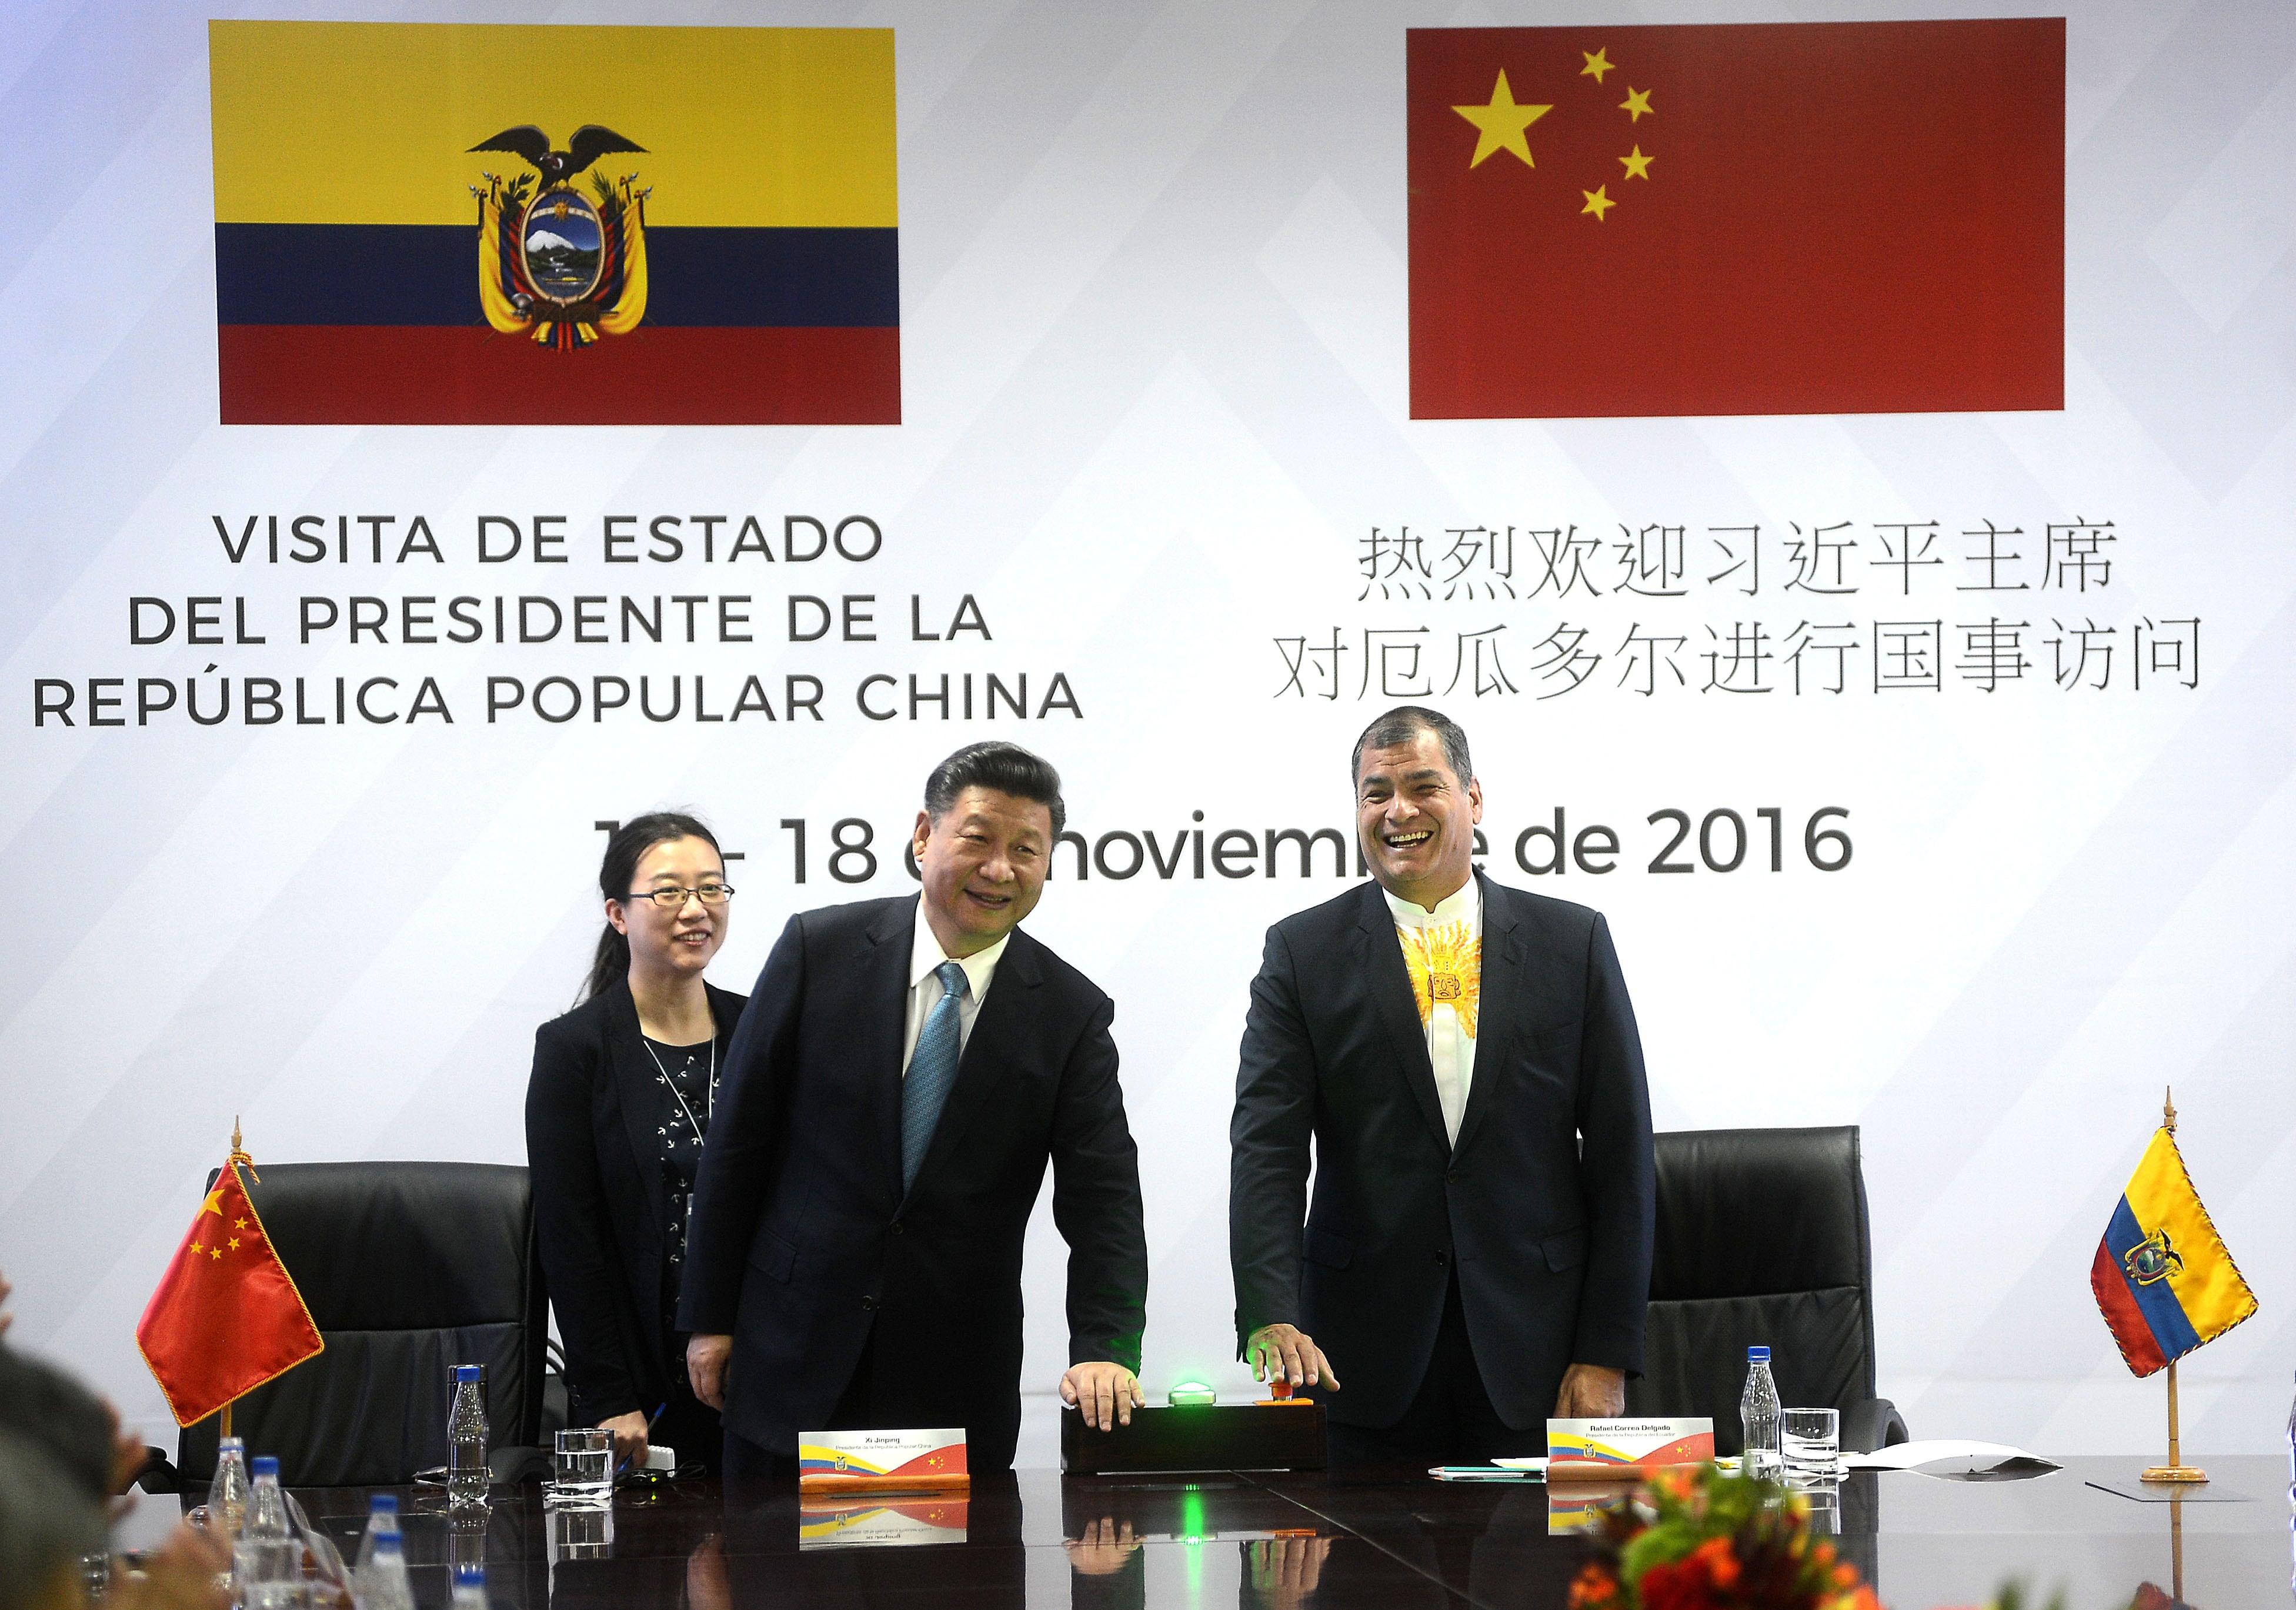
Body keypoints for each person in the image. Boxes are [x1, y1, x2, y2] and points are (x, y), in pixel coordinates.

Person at [679, 741, 1149, 1477]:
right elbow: (737, 1144)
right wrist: (709, 1317)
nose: (1000, 868)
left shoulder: (1069, 1011)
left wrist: (1106, 1346)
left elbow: (1105, 1197)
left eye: (1026, 849)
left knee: (949, 1555)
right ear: (924, 836)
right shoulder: (817, 949)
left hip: (953, 1373)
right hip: (790, 1352)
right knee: (770, 1550)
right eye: (978, 839)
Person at [1229, 706, 1655, 1468]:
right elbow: (1267, 1151)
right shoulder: (1302, 951)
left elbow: (1622, 1157)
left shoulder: (1572, 941)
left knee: (1538, 1553)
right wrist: (1269, 1313)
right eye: (1376, 792)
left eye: (1424, 786)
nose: (1399, 810)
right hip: (1359, 1358)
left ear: (1473, 798)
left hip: (1542, 1356)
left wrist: (1608, 1351)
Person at [527, 812, 746, 1474]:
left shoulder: (761, 1029)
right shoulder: (574, 1049)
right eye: (669, 891)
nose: (695, 909)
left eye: (711, 888)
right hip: (640, 1387)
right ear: (618, 914)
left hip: (756, 1367)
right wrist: (608, 1395)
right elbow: (569, 1238)